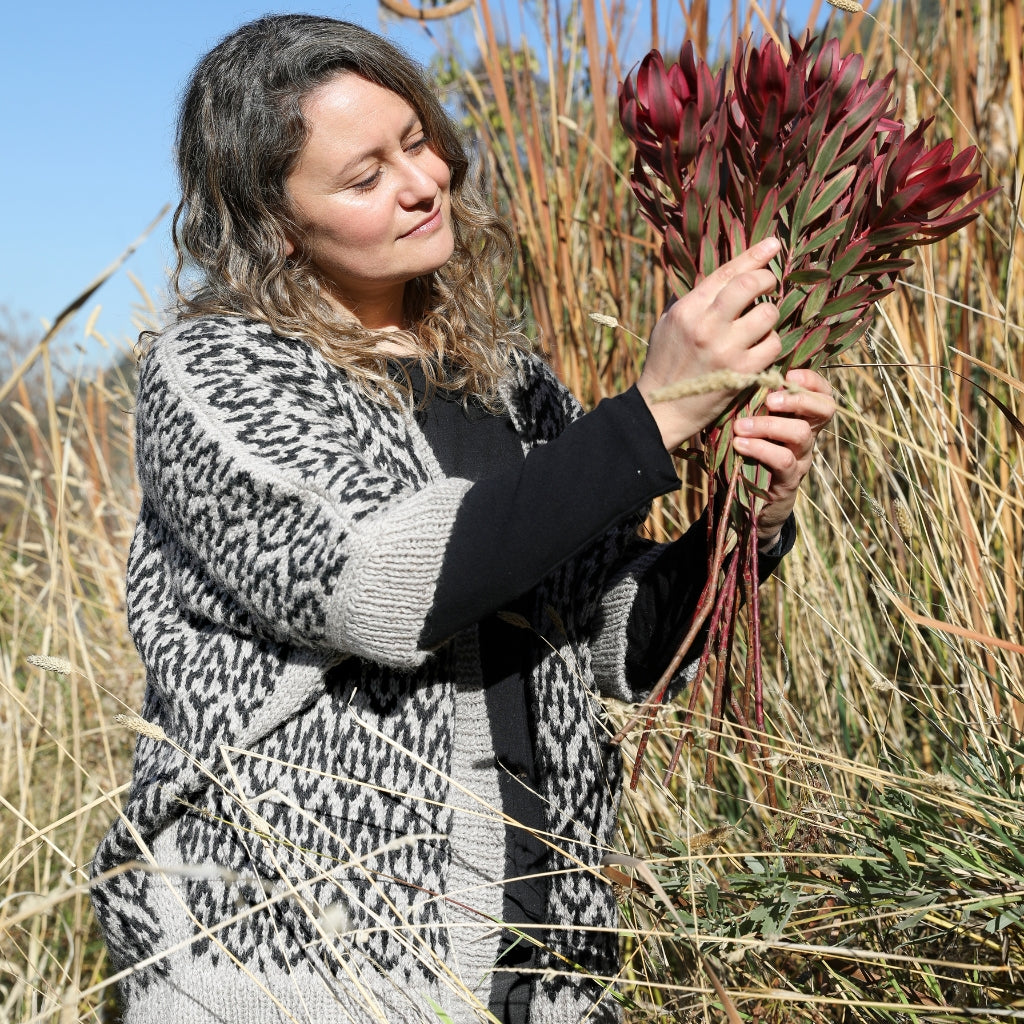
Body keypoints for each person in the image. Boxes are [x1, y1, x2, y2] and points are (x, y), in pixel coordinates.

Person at [91, 13, 836, 1024]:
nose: (420, 180)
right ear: (275, 223)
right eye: (363, 179)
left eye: (416, 140)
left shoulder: (506, 377)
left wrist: (749, 521)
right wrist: (653, 416)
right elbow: (379, 583)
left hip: (545, 968)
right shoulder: (215, 373)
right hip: (295, 977)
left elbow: (617, 635)